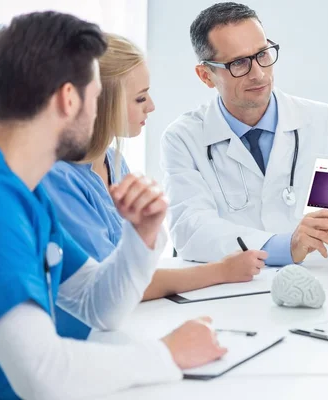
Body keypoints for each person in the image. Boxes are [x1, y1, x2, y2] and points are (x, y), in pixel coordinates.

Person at [0, 12, 226, 400]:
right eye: (96, 98)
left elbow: (98, 306)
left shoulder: (22, 188)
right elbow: (42, 374)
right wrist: (168, 353)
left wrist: (140, 235)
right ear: (69, 99)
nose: (98, 115)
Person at [41, 33, 268, 340]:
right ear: (100, 102)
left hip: (123, 327)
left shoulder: (113, 161)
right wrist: (221, 271)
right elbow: (116, 287)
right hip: (82, 340)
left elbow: (132, 270)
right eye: (140, 98)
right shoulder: (56, 179)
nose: (151, 107)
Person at [161, 2, 328, 264]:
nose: (258, 74)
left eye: (263, 54)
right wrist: (285, 246)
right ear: (206, 75)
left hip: (320, 281)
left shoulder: (325, 122)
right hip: (234, 292)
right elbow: (191, 231)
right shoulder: (184, 138)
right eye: (239, 63)